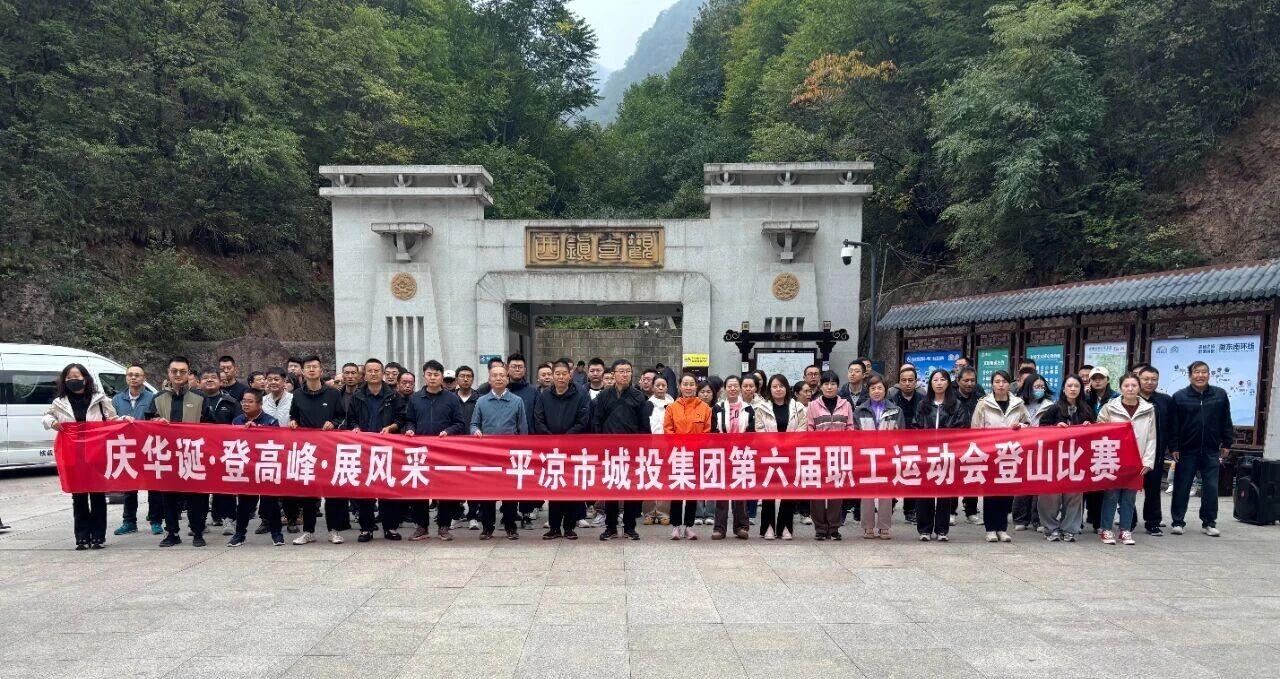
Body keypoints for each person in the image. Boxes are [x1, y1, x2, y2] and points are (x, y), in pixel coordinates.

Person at [43, 364, 119, 549]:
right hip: (72, 454)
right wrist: (52, 423)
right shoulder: (59, 402)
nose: (73, 380)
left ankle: (98, 536)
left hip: (96, 453)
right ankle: (82, 537)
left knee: (97, 495)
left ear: (85, 379)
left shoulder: (100, 399)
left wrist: (125, 420)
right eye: (69, 377)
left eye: (76, 376)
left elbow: (112, 419)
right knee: (78, 496)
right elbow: (47, 417)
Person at [145, 356, 209, 548]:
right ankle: (172, 533)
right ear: (168, 373)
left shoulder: (200, 397)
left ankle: (198, 531)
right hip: (167, 456)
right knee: (169, 496)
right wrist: (155, 422)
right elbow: (146, 424)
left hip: (193, 454)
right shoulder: (158, 398)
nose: (178, 375)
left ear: (189, 374)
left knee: (197, 496)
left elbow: (211, 425)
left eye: (183, 371)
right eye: (174, 371)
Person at [402, 360, 468, 540]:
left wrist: (448, 431)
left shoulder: (451, 398)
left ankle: (444, 526)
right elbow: (409, 420)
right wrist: (410, 429)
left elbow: (460, 423)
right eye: (429, 374)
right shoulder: (415, 398)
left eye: (436, 374)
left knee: (445, 489)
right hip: (420, 452)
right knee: (419, 489)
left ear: (441, 377)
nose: (432, 378)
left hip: (443, 451)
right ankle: (421, 526)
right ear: (424, 376)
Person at [289, 355, 349, 546]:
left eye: (315, 367)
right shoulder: (298, 394)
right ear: (303, 371)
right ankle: (308, 531)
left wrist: (333, 423)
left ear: (321, 371)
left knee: (332, 491)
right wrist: (293, 422)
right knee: (308, 492)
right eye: (308, 367)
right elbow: (293, 415)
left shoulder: (333, 394)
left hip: (329, 448)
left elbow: (341, 416)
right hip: (307, 450)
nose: (311, 370)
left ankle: (334, 530)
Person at [1169, 361, 1232, 537]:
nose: (1200, 375)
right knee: (1182, 487)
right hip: (1186, 450)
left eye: (1204, 372)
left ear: (1209, 375)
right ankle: (1178, 522)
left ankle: (1209, 523)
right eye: (1196, 372)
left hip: (1211, 449)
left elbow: (1226, 420)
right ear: (1190, 375)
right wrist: (1174, 446)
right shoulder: (1179, 397)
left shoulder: (1219, 395)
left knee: (1211, 487)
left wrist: (1227, 443)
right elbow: (1174, 425)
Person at [347, 358, 405, 542]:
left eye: (377, 370)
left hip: (387, 448)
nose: (373, 373)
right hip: (364, 449)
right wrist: (355, 427)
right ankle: (366, 528)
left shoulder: (393, 396)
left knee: (388, 488)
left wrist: (391, 427)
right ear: (364, 374)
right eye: (370, 371)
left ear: (383, 374)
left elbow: (401, 419)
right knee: (365, 490)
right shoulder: (357, 396)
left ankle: (390, 527)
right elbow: (351, 419)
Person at [1097, 373, 1157, 546]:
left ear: (1139, 387)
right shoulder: (1110, 407)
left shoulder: (1148, 409)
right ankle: (1106, 529)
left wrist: (1148, 461)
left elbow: (1152, 437)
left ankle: (1125, 530)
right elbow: (1099, 429)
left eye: (1134, 385)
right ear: (1120, 388)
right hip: (1113, 457)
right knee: (1111, 495)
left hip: (1137, 459)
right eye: (1126, 386)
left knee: (1129, 497)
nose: (1130, 389)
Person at [971, 370, 1031, 543]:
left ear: (1009, 384)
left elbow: (1028, 424)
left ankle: (1002, 528)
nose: (1000, 385)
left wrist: (1020, 426)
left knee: (1006, 492)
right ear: (992, 384)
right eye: (997, 381)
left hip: (1011, 453)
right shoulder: (983, 404)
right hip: (990, 453)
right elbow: (975, 428)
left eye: (1004, 381)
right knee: (990, 493)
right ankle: (990, 529)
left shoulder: (1018, 403)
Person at [591, 359, 647, 540]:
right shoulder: (604, 396)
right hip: (609, 451)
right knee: (611, 489)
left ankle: (630, 527)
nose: (625, 374)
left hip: (632, 451)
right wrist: (599, 446)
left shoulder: (638, 397)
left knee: (631, 489)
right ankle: (611, 527)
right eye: (621, 371)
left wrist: (643, 449)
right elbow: (597, 421)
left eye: (628, 371)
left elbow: (644, 426)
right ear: (613, 374)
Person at [533, 359, 590, 540]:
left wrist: (566, 438)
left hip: (573, 448)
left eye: (564, 373)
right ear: (552, 375)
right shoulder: (544, 396)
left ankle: (569, 527)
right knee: (554, 487)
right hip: (551, 449)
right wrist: (551, 438)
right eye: (557, 373)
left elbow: (583, 419)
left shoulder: (580, 394)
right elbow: (538, 419)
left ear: (570, 375)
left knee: (571, 488)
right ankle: (554, 527)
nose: (560, 377)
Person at [471, 363, 528, 539]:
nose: (498, 378)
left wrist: (522, 451)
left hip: (510, 455)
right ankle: (487, 527)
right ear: (489, 380)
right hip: (487, 455)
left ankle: (510, 526)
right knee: (487, 492)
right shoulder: (481, 401)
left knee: (510, 493)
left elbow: (523, 429)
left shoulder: (517, 401)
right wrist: (475, 431)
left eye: (502, 375)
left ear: (507, 379)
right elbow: (474, 424)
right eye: (494, 375)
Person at [1037, 375, 1095, 542]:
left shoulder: (1087, 410)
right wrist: (1055, 428)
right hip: (1055, 459)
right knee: (1050, 494)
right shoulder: (1053, 409)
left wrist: (1090, 427)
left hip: (1078, 458)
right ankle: (1050, 528)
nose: (1073, 389)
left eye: (1076, 386)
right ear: (1063, 389)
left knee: (1074, 494)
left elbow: (1096, 433)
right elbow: (1040, 430)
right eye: (1069, 386)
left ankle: (1069, 528)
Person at [914, 369, 967, 541]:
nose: (938, 383)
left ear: (948, 383)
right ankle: (924, 530)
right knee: (925, 492)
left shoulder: (956, 405)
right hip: (926, 454)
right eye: (935, 380)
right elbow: (916, 427)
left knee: (945, 493)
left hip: (947, 453)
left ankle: (942, 530)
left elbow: (961, 428)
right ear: (930, 383)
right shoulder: (923, 404)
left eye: (942, 379)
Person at [227, 389, 284, 547]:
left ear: (260, 404)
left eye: (250, 401)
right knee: (244, 504)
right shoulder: (237, 421)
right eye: (244, 401)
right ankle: (239, 535)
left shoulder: (271, 421)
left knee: (271, 503)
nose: (246, 404)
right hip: (246, 469)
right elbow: (231, 442)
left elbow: (277, 442)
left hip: (265, 467)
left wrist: (258, 431)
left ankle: (277, 534)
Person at [804, 371, 854, 540]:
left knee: (836, 491)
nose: (830, 387)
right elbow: (809, 428)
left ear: (838, 386)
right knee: (817, 491)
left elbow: (850, 428)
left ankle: (833, 527)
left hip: (839, 454)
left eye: (833, 384)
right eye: (826, 384)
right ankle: (820, 528)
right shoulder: (813, 405)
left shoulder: (846, 404)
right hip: (818, 455)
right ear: (821, 386)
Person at [853, 374, 904, 540]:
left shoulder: (896, 410)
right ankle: (867, 526)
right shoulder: (860, 410)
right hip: (866, 456)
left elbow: (902, 435)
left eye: (880, 388)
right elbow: (854, 435)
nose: (876, 391)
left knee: (886, 493)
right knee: (866, 493)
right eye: (873, 388)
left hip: (887, 456)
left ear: (885, 390)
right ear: (868, 390)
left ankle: (884, 527)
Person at [110, 364, 159, 536]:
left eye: (137, 375)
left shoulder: (153, 398)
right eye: (130, 374)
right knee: (129, 487)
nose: (133, 377)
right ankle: (129, 521)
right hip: (126, 448)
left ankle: (155, 520)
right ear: (126, 378)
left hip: (148, 447)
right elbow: (110, 421)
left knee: (154, 486)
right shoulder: (117, 399)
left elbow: (157, 419)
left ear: (144, 378)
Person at [663, 373, 712, 540]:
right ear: (679, 386)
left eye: (691, 384)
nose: (688, 387)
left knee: (692, 491)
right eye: (685, 384)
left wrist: (694, 447)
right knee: (676, 491)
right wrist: (680, 447)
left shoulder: (705, 408)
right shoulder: (671, 408)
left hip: (696, 455)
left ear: (696, 387)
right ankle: (676, 526)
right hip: (677, 455)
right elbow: (668, 430)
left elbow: (706, 432)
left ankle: (689, 526)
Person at [760, 374, 804, 540]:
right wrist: (775, 444)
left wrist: (787, 444)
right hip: (769, 454)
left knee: (789, 490)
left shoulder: (798, 407)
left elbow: (802, 428)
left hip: (790, 453)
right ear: (770, 389)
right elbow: (759, 430)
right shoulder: (762, 407)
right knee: (768, 491)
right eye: (774, 386)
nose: (778, 389)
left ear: (787, 388)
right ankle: (768, 527)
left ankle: (785, 527)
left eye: (781, 386)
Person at [709, 375, 753, 540]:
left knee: (740, 492)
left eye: (736, 386)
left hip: (741, 454)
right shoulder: (718, 408)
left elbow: (751, 431)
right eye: (730, 386)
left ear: (740, 388)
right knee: (722, 492)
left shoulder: (748, 408)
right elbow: (713, 431)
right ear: (725, 389)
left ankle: (742, 527)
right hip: (723, 454)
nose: (733, 389)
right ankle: (719, 528)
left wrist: (739, 444)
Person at [200, 367, 242, 534]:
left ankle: (228, 519)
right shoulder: (194, 400)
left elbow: (239, 424)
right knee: (200, 489)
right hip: (200, 451)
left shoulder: (230, 402)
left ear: (220, 381)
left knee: (225, 487)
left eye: (213, 377)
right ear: (199, 382)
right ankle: (199, 522)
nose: (209, 380)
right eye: (205, 377)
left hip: (224, 451)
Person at [1136, 365, 1176, 536]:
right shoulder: (1130, 398)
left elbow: (1173, 426)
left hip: (1155, 452)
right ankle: (1129, 521)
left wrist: (1173, 447)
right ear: (1139, 379)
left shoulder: (1165, 400)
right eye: (1146, 379)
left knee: (1153, 489)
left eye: (1154, 379)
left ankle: (1152, 523)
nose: (1150, 382)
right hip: (1133, 451)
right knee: (1128, 489)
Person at [1011, 373, 1054, 531]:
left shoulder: (1050, 405)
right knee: (1022, 483)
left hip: (1042, 448)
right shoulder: (1017, 404)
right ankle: (1021, 519)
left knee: (1040, 485)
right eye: (1036, 387)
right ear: (1028, 387)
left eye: (1042, 387)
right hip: (1022, 448)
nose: (1039, 389)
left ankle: (1038, 519)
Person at [1082, 366, 1117, 532]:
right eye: (1094, 378)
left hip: (1107, 444)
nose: (1097, 381)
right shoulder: (1086, 398)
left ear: (1107, 380)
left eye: (1101, 378)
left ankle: (1100, 522)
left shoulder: (1115, 398)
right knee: (1088, 484)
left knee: (1104, 483)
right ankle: (1090, 520)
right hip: (1087, 446)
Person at [641, 375, 675, 527]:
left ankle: (663, 512)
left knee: (665, 479)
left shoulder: (672, 405)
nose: (660, 388)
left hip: (668, 446)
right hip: (650, 445)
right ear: (653, 387)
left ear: (667, 387)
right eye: (657, 385)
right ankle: (649, 513)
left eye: (663, 385)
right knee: (650, 478)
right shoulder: (647, 405)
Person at [954, 366, 983, 525]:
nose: (969, 383)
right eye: (966, 380)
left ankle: (971, 511)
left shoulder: (980, 397)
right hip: (956, 442)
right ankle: (951, 511)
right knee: (953, 476)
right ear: (958, 381)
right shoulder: (951, 397)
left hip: (975, 442)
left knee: (973, 476)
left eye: (972, 380)